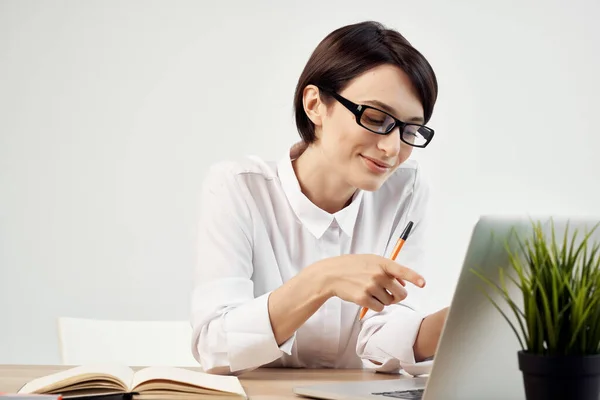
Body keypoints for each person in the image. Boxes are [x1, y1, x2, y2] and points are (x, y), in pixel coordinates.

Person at [190, 20, 448, 376]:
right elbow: (215, 345)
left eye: (409, 130)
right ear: (314, 104)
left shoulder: (407, 191)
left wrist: (461, 321)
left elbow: (381, 339)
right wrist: (323, 279)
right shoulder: (237, 187)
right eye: (375, 117)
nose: (392, 148)